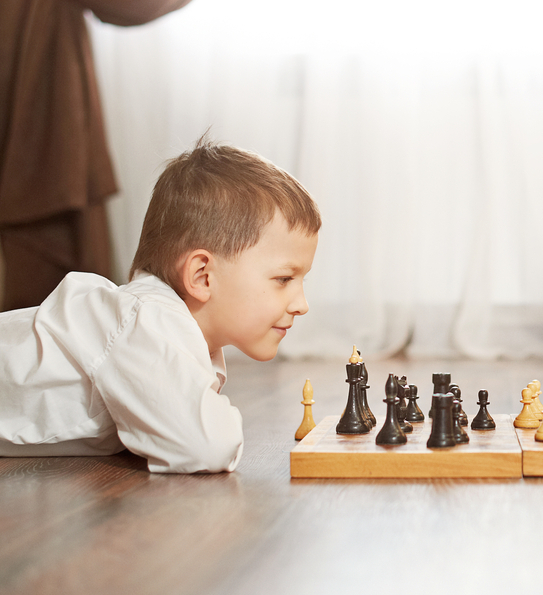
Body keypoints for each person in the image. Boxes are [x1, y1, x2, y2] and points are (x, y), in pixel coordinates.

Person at [0, 136, 322, 472]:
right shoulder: (148, 323)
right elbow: (208, 446)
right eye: (284, 279)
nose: (301, 304)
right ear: (202, 276)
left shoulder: (176, 332)